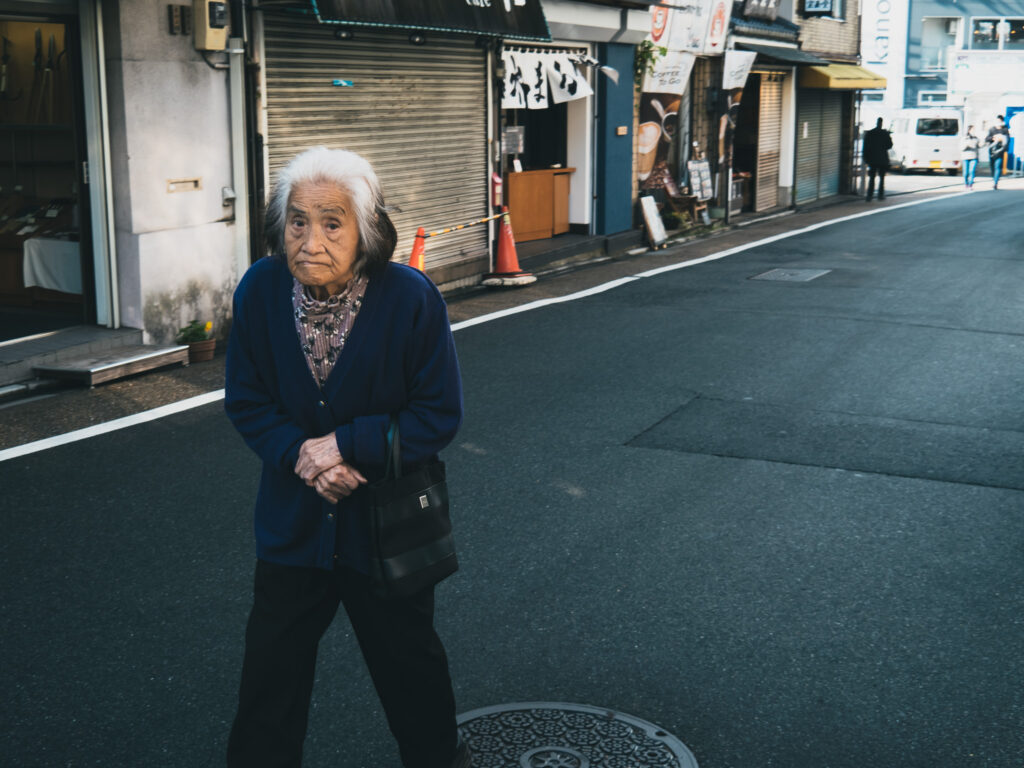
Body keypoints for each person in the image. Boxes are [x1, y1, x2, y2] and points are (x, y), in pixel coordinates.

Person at [224, 146, 470, 768]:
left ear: (368, 232)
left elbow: (438, 414)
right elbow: (247, 399)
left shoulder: (410, 297)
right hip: (293, 527)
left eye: (332, 222)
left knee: (409, 670)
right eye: (297, 221)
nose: (309, 240)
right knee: (268, 684)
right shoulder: (259, 289)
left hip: (384, 530)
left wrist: (348, 446)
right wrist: (304, 454)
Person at [863, 117, 893, 201]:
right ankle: (880, 195)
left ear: (876, 123)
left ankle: (869, 196)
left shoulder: (870, 133)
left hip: (872, 159)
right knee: (882, 178)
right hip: (882, 159)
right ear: (882, 123)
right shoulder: (885, 133)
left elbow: (865, 147)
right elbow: (889, 145)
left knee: (872, 178)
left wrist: (866, 158)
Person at [985, 114, 1010, 189]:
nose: (998, 122)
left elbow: (1008, 140)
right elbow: (986, 139)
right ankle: (994, 178)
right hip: (992, 151)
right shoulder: (992, 129)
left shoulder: (1005, 129)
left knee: (998, 166)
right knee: (992, 166)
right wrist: (993, 138)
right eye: (997, 120)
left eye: (1000, 120)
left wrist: (1002, 140)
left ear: (1002, 121)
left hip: (1000, 151)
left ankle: (995, 183)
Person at [961, 124, 981, 190]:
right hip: (965, 157)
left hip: (974, 157)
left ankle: (971, 184)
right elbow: (961, 148)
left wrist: (983, 143)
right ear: (969, 130)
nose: (974, 131)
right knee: (965, 172)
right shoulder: (964, 138)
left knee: (972, 171)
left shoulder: (976, 138)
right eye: (972, 130)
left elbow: (979, 146)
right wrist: (967, 144)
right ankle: (966, 183)